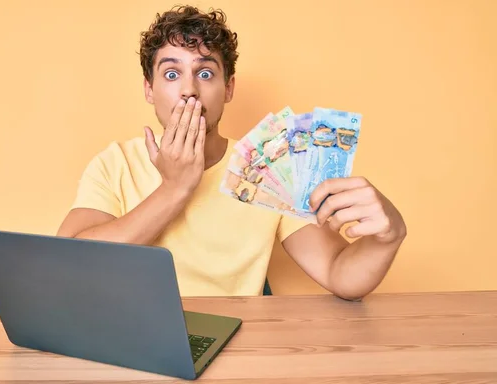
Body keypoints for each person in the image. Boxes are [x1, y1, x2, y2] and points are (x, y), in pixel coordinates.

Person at [56, 5, 407, 300]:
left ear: (228, 88)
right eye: (172, 73)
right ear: (149, 90)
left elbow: (339, 274)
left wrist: (389, 236)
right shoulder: (115, 162)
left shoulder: (268, 168)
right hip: (131, 336)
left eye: (205, 72)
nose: (189, 91)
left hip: (234, 345)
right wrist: (174, 188)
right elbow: (70, 264)